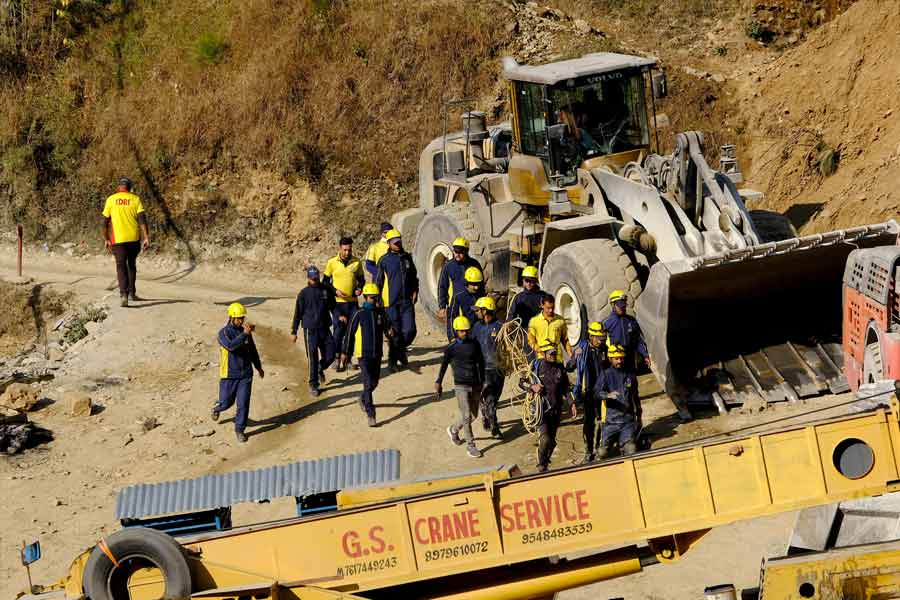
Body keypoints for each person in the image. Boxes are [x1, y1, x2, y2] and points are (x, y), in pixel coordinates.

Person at [602, 289, 692, 422]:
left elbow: (638, 340)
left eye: (624, 305)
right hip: (615, 365)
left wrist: (645, 355)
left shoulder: (631, 321)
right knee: (618, 394)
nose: (622, 308)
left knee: (633, 392)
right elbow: (602, 346)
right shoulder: (607, 324)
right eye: (620, 306)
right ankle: (617, 425)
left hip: (629, 363)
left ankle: (636, 423)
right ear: (613, 305)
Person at [212, 303, 264, 443]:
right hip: (229, 374)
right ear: (231, 318)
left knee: (243, 403)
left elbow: (252, 351)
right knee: (227, 402)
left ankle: (239, 429)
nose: (241, 321)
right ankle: (217, 407)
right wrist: (244, 335)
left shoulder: (245, 332)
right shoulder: (223, 333)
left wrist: (258, 367)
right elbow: (231, 346)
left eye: (242, 318)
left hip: (246, 374)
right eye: (238, 318)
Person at [436, 316, 485, 459]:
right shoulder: (451, 348)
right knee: (466, 415)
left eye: (466, 331)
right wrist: (439, 382)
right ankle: (471, 446)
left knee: (474, 415)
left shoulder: (474, 344)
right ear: (456, 331)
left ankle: (453, 429)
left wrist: (482, 381)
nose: (464, 333)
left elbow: (480, 362)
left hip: (475, 383)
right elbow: (444, 365)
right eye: (461, 331)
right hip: (461, 385)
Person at [342, 283, 388, 428]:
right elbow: (349, 334)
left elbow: (387, 328)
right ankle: (371, 413)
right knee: (368, 383)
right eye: (372, 298)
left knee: (374, 383)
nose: (374, 300)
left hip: (377, 353)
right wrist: (345, 353)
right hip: (363, 354)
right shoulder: (358, 313)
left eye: (376, 298)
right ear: (365, 297)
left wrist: (391, 333)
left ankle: (362, 398)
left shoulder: (380, 313)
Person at [526, 341, 577, 472]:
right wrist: (532, 386)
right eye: (551, 353)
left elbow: (566, 388)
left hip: (556, 410)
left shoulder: (560, 368)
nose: (553, 355)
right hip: (541, 410)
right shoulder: (535, 367)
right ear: (543, 354)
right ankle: (541, 465)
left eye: (555, 353)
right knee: (545, 439)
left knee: (552, 442)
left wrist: (572, 404)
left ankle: (545, 462)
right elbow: (522, 383)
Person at [101, 177, 151, 307]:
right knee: (131, 265)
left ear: (119, 187)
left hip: (117, 239)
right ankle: (132, 293)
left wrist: (106, 239)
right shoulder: (135, 199)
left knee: (121, 265)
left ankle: (124, 295)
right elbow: (142, 220)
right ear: (130, 188)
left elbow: (104, 223)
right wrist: (146, 237)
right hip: (133, 238)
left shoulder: (111, 200)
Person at [375, 229, 418, 371]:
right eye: (395, 242)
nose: (398, 244)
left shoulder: (407, 257)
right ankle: (392, 362)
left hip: (406, 301)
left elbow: (414, 276)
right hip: (390, 303)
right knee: (395, 333)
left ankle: (400, 351)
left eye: (399, 241)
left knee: (410, 331)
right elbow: (377, 283)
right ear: (389, 243)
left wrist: (415, 290)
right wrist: (377, 301)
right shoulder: (384, 261)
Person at [291, 266, 336, 397]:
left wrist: (338, 316)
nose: (314, 280)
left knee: (331, 354)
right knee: (312, 357)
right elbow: (297, 313)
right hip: (310, 330)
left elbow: (332, 306)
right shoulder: (303, 294)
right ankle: (313, 384)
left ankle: (320, 368)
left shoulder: (325, 290)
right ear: (308, 278)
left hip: (325, 328)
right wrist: (294, 331)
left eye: (316, 278)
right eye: (312, 278)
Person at [568, 321, 609, 463]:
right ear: (591, 336)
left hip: (602, 391)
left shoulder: (605, 349)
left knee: (603, 421)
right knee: (589, 423)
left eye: (602, 338)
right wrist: (574, 356)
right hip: (588, 393)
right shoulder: (582, 349)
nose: (601, 341)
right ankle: (588, 451)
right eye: (598, 338)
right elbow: (570, 366)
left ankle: (600, 448)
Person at [323, 237, 364, 372]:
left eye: (350, 250)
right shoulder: (332, 263)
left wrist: (360, 289)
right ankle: (336, 357)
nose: (347, 252)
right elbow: (325, 283)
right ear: (340, 248)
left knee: (351, 332)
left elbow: (361, 280)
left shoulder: (357, 262)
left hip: (352, 304)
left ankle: (348, 359)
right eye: (345, 250)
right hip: (338, 304)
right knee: (339, 331)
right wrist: (335, 291)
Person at [593, 344, 640, 458]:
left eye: (621, 358)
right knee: (602, 453)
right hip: (610, 422)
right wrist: (607, 395)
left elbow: (635, 396)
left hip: (627, 421)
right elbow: (596, 393)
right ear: (610, 359)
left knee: (631, 449)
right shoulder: (605, 374)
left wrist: (639, 414)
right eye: (616, 358)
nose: (619, 361)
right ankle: (610, 443)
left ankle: (624, 444)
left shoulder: (630, 375)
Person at [472, 296, 504, 439]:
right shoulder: (477, 327)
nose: (476, 313)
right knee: (490, 400)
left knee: (494, 399)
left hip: (497, 370)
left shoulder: (500, 327)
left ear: (485, 311)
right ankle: (495, 428)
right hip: (482, 370)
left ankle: (486, 414)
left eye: (478, 310)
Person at [437, 237, 482, 321]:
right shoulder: (448, 266)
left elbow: (481, 286)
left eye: (460, 252)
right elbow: (442, 286)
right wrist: (442, 306)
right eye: (455, 251)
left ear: (466, 251)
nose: (457, 254)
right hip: (455, 306)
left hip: (471, 305)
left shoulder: (474, 264)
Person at [508, 266, 543, 355]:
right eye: (526, 281)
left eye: (532, 281)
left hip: (541, 331)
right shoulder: (518, 298)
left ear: (536, 281)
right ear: (523, 281)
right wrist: (509, 326)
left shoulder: (543, 296)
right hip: (526, 332)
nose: (529, 284)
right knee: (530, 357)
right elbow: (511, 315)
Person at [527, 293, 572, 362]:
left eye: (552, 307)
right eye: (548, 308)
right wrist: (542, 352)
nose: (551, 310)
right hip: (542, 359)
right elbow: (531, 341)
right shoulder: (534, 321)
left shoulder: (560, 321)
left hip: (558, 358)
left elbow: (565, 340)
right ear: (542, 306)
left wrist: (570, 353)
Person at [445, 266, 483, 342]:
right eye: (473, 285)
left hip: (477, 333)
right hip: (464, 333)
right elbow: (451, 317)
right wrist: (452, 336)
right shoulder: (458, 296)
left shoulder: (481, 294)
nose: (476, 287)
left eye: (478, 284)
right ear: (466, 283)